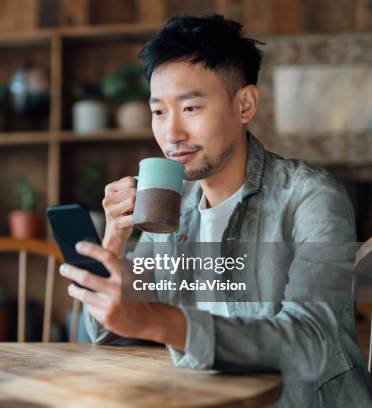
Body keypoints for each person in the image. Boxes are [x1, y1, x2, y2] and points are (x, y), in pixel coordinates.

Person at [58, 14, 372, 407]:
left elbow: (314, 342)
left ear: (245, 104)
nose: (171, 134)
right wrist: (116, 241)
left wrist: (161, 322)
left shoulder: (311, 196)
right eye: (158, 112)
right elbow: (108, 333)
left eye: (190, 108)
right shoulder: (172, 204)